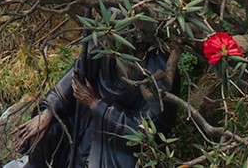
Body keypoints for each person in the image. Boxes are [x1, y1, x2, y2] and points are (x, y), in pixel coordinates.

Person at [9, 19, 169, 168]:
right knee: (45, 130)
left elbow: (151, 130)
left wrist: (97, 105)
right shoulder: (102, 48)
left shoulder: (158, 69)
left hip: (115, 145)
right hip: (81, 126)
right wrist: (49, 113)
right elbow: (72, 81)